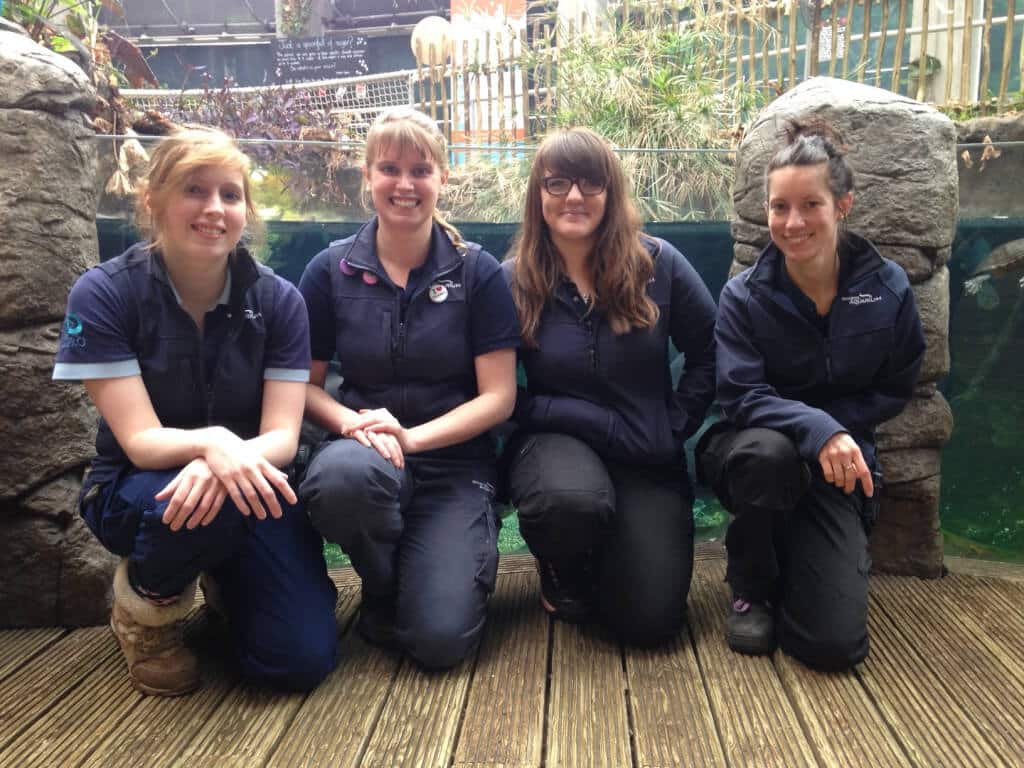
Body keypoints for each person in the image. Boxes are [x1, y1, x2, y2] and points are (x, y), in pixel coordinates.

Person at [53, 126, 339, 696]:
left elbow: (282, 437)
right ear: (152, 200)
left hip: (253, 484)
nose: (214, 208)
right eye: (194, 189)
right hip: (139, 487)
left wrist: (225, 461)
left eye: (230, 195)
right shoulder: (104, 293)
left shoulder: (279, 300)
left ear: (245, 212)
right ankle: (147, 610)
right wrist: (214, 445)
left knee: (297, 661)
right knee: (189, 504)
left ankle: (226, 576)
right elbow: (140, 441)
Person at [697, 121, 926, 670]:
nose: (793, 222)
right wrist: (819, 430)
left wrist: (838, 435)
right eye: (780, 207)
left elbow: (896, 384)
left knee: (832, 646)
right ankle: (750, 586)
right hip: (752, 450)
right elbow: (741, 394)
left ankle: (803, 557)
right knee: (768, 455)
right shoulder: (744, 297)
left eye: (810, 205)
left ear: (843, 205)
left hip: (836, 468)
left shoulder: (888, 288)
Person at [297, 107, 519, 669]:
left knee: (439, 641)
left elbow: (499, 397)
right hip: (364, 453)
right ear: (367, 175)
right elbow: (304, 387)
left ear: (443, 177)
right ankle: (381, 582)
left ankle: (438, 568)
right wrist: (353, 425)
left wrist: (412, 438)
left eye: (420, 170)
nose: (405, 184)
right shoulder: (328, 270)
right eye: (390, 169)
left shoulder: (478, 272)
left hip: (454, 466)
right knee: (340, 480)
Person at [502, 127, 718, 644]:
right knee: (570, 502)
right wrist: (564, 414)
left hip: (644, 452)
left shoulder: (659, 265)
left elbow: (712, 352)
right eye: (557, 183)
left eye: (590, 182)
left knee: (649, 622)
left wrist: (676, 423)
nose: (574, 196)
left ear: (610, 191)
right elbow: (489, 386)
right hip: (556, 445)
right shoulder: (511, 279)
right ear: (538, 194)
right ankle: (561, 564)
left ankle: (614, 552)